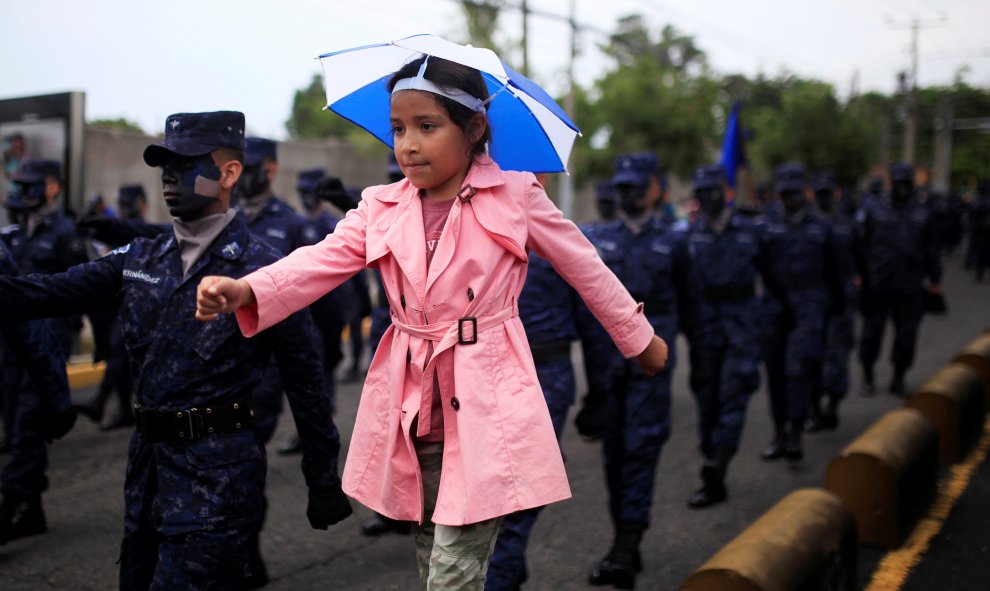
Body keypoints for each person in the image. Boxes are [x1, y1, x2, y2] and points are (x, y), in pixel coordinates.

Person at [195, 57, 667, 590]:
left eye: (427, 126)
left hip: (486, 400)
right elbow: (320, 260)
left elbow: (584, 266)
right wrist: (248, 288)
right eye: (398, 129)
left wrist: (639, 337)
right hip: (413, 403)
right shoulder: (381, 205)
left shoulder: (516, 195)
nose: (408, 145)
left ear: (474, 130)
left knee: (452, 575)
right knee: (429, 556)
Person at [0, 111, 351, 589]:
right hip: (147, 473)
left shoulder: (264, 270)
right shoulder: (142, 257)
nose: (170, 175)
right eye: (164, 164)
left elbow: (305, 379)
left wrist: (322, 477)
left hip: (218, 480)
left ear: (228, 173)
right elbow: (41, 294)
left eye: (186, 163)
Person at [568, 152, 692, 589]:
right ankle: (624, 536)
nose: (627, 195)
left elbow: (688, 301)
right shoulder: (598, 239)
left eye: (635, 187)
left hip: (648, 365)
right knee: (613, 456)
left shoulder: (675, 240)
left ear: (654, 189)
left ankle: (626, 546)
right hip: (608, 365)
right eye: (621, 188)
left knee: (639, 452)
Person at [486, 174, 584, 591]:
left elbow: (589, 313)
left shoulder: (560, 236)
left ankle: (500, 579)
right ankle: (506, 572)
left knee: (520, 493)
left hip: (548, 373)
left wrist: (600, 390)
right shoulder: (481, 228)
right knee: (494, 489)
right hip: (490, 374)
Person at [683, 163, 782, 508]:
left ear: (726, 193)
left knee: (734, 394)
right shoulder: (689, 236)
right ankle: (712, 460)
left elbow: (773, 281)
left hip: (742, 324)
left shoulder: (751, 231)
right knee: (707, 400)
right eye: (701, 193)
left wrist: (765, 324)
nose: (707, 199)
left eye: (713, 191)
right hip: (706, 328)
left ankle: (716, 466)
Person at [760, 163, 842, 462]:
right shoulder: (768, 225)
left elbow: (835, 272)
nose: (789, 199)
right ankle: (779, 433)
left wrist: (833, 308)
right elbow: (761, 266)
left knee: (798, 370)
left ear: (804, 193)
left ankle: (795, 433)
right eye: (784, 193)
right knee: (775, 373)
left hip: (809, 306)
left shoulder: (821, 227)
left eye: (794, 193)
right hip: (775, 308)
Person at [0, 239, 76, 544]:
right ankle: (28, 505)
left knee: (27, 424)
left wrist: (57, 401)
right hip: (15, 353)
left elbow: (29, 330)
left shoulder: (61, 233)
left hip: (41, 333)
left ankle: (19, 502)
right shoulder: (17, 234)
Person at [857, 162, 942, 394]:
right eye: (899, 183)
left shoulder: (922, 212)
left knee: (906, 334)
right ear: (891, 183)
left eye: (907, 183)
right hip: (879, 283)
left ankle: (899, 376)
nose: (903, 188)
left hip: (909, 284)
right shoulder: (874, 209)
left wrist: (936, 280)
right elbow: (861, 246)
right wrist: (861, 276)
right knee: (871, 332)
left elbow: (931, 249)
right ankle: (867, 374)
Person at [806, 170, 860, 431]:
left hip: (842, 301)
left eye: (828, 193)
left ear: (836, 193)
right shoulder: (806, 224)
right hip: (812, 302)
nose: (824, 197)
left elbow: (861, 257)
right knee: (812, 357)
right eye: (819, 193)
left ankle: (832, 405)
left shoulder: (847, 223)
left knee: (838, 357)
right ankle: (814, 408)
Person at [572, 181, 618, 442]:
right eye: (601, 199)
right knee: (596, 370)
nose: (605, 204)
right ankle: (600, 413)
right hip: (592, 320)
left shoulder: (624, 234)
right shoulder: (588, 232)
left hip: (619, 312)